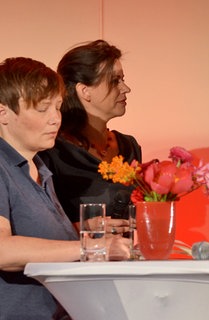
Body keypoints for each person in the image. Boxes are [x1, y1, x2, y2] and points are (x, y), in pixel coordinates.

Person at [0, 57, 130, 319]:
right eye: (42, 109)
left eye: (57, 108)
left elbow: (30, 229)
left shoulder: (39, 169)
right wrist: (92, 247)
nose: (54, 119)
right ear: (3, 113)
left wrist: (84, 230)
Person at [40, 40, 142, 226]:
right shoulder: (53, 151)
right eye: (115, 81)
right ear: (84, 91)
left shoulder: (129, 147)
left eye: (123, 79)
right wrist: (87, 229)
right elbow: (42, 228)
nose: (126, 88)